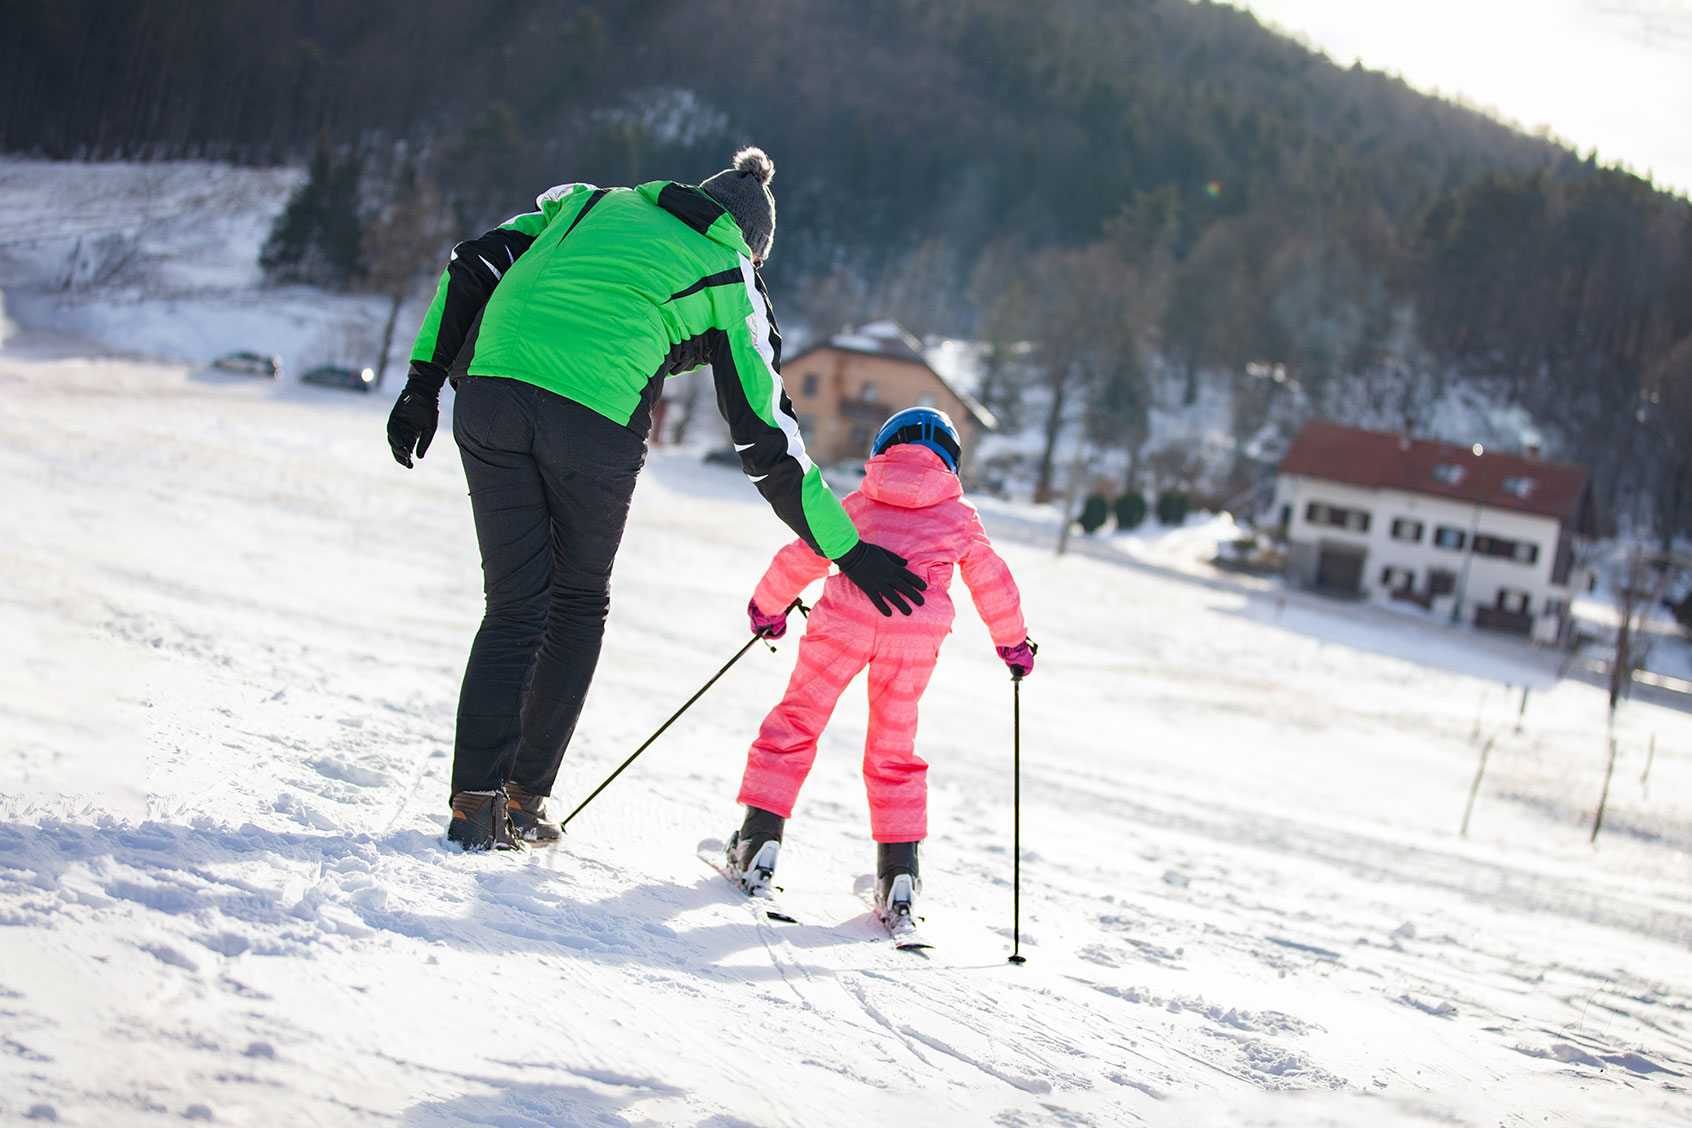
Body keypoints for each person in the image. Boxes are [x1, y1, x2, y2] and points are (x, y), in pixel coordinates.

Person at [385, 147, 928, 851]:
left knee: (517, 604)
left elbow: (474, 264)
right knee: (576, 600)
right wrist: (847, 550)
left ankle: (475, 806)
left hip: (489, 395)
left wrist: (421, 384)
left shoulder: (583, 202)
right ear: (754, 247)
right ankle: (521, 799)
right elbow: (769, 439)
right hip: (592, 423)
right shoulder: (731, 276)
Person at [720, 407, 1036, 931]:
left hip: (841, 622)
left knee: (797, 720)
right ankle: (899, 875)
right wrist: (1013, 645)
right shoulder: (959, 516)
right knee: (893, 747)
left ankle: (757, 844)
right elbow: (993, 583)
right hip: (913, 636)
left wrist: (768, 606)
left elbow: (804, 553)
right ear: (951, 460)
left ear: (883, 448)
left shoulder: (859, 501)